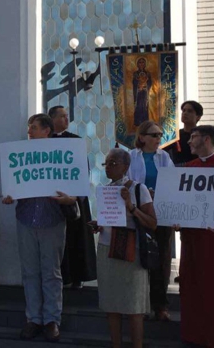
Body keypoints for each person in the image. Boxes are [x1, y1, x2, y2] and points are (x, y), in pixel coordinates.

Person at [2, 114, 77, 342]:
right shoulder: (20, 156)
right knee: (30, 272)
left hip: (52, 220)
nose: (30, 132)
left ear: (47, 130)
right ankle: (33, 319)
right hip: (26, 219)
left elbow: (75, 190)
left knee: (51, 273)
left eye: (34, 128)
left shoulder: (62, 155)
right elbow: (12, 186)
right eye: (29, 128)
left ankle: (52, 319)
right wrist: (8, 197)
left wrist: (69, 199)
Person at [93, 148, 157, 348]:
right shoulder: (105, 189)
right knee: (112, 306)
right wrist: (98, 224)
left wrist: (131, 206)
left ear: (126, 167)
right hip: (108, 249)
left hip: (132, 251)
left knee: (133, 306)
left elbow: (152, 223)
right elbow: (109, 219)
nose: (108, 168)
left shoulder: (139, 189)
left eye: (113, 163)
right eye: (106, 164)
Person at [128, 120, 174, 321]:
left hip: (161, 213)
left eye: (160, 135)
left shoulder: (164, 157)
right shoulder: (131, 157)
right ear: (142, 137)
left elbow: (173, 181)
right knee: (141, 258)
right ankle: (140, 302)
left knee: (162, 258)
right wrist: (145, 193)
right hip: (140, 212)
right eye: (154, 135)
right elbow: (127, 182)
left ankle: (160, 305)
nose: (158, 139)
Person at [48, 105, 97, 289]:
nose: (66, 119)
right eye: (62, 116)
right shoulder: (44, 141)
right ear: (51, 120)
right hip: (52, 197)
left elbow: (83, 169)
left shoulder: (75, 141)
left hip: (73, 196)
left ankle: (78, 276)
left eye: (67, 116)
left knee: (77, 237)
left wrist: (77, 196)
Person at [176, 125, 214, 347]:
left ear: (207, 139)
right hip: (191, 239)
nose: (189, 141)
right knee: (191, 286)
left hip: (211, 240)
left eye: (194, 137)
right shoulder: (188, 168)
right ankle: (193, 335)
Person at [164, 100, 203, 166]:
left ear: (198, 117)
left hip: (199, 170)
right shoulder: (174, 136)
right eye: (183, 110)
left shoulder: (203, 135)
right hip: (177, 171)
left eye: (189, 111)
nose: (185, 113)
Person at [133, 57, 152, 126]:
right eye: (140, 62)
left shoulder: (148, 73)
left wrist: (145, 85)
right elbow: (134, 83)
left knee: (145, 106)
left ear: (145, 64)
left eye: (143, 62)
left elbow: (150, 83)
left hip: (145, 92)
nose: (141, 64)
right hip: (138, 93)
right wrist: (138, 85)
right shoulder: (135, 73)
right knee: (138, 106)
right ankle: (138, 122)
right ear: (137, 64)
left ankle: (145, 122)